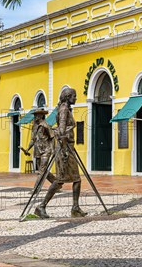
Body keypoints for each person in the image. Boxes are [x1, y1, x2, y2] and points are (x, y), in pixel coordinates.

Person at [35, 88, 87, 218]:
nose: (76, 98)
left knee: (76, 179)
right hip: (65, 149)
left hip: (67, 147)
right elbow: (62, 130)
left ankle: (75, 208)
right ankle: (41, 206)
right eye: (74, 96)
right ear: (68, 96)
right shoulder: (64, 110)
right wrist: (64, 150)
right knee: (60, 180)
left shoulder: (65, 109)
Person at [20, 109, 56, 184]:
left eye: (36, 115)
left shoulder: (45, 125)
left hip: (46, 150)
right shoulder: (34, 127)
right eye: (34, 115)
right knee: (43, 170)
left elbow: (52, 137)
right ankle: (56, 183)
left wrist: (53, 150)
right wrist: (27, 149)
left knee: (41, 171)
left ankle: (35, 190)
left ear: (41, 116)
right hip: (38, 151)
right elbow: (33, 140)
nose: (35, 117)